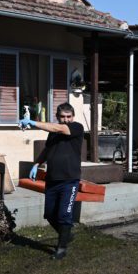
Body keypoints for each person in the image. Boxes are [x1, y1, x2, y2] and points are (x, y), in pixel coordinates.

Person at [27, 103, 84, 260]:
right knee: (50, 214)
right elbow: (47, 150)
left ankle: (61, 248)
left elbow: (59, 129)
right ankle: (66, 235)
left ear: (73, 117)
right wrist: (36, 164)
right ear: (58, 117)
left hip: (69, 180)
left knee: (64, 214)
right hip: (52, 179)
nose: (65, 120)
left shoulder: (76, 128)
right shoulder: (53, 132)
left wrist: (33, 122)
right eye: (62, 117)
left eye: (68, 116)